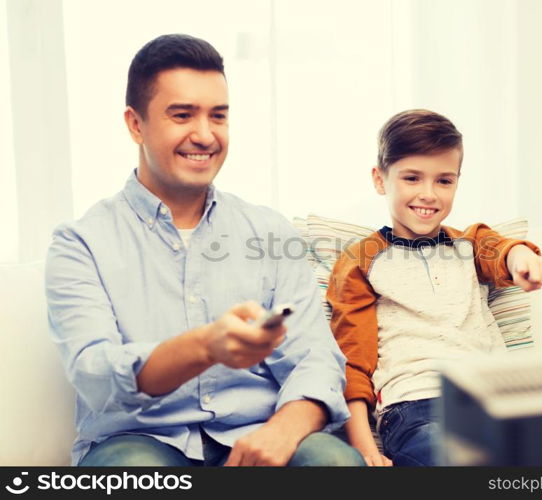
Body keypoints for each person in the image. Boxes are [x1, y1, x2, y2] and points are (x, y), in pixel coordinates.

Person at [45, 34, 363, 467]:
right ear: (135, 124)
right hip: (139, 441)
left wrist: (282, 430)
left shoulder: (269, 230)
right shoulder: (80, 242)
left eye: (218, 116)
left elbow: (317, 359)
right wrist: (206, 346)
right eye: (182, 115)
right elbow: (96, 374)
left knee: (334, 465)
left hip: (258, 432)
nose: (205, 135)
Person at [326, 109, 542, 466]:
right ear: (380, 179)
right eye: (412, 178)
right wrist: (366, 450)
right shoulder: (360, 260)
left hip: (496, 398)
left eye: (444, 181)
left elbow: (502, 251)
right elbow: (352, 364)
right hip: (417, 406)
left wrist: (523, 257)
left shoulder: (471, 242)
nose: (428, 194)